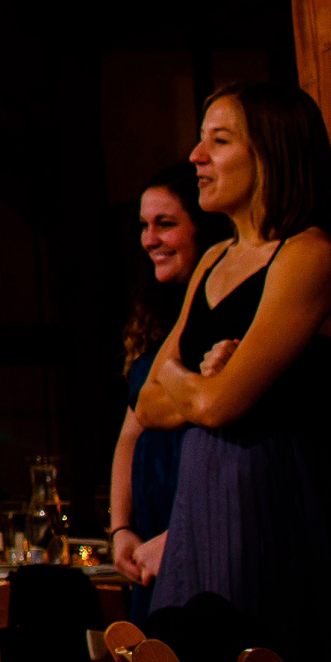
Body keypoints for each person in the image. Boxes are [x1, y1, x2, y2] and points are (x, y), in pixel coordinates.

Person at [133, 83, 331, 662]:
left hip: (277, 517)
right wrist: (201, 383)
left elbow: (215, 403)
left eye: (219, 140)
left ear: (271, 153)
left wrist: (194, 382)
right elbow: (146, 401)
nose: (196, 156)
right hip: (201, 514)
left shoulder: (310, 255)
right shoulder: (212, 260)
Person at [107, 162, 226, 599]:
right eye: (144, 225)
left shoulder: (220, 319)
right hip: (147, 542)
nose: (149, 238)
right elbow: (129, 435)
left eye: (166, 224)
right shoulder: (158, 320)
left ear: (203, 228)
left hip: (201, 536)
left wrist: (184, 537)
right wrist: (121, 528)